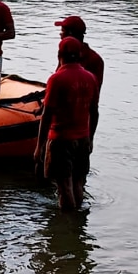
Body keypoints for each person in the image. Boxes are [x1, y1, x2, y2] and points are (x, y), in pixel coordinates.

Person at [34, 37, 99, 212]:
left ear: (59, 55)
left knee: (64, 187)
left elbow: (46, 115)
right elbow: (94, 112)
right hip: (83, 138)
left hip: (61, 140)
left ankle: (69, 226)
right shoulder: (90, 77)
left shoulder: (57, 79)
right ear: (79, 55)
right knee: (78, 182)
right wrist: (91, 138)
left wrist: (39, 147)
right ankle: (79, 222)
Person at [54, 15, 104, 143]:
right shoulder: (64, 53)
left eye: (62, 31)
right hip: (61, 122)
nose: (60, 34)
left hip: (78, 125)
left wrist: (90, 137)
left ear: (70, 33)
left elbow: (93, 104)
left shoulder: (94, 61)